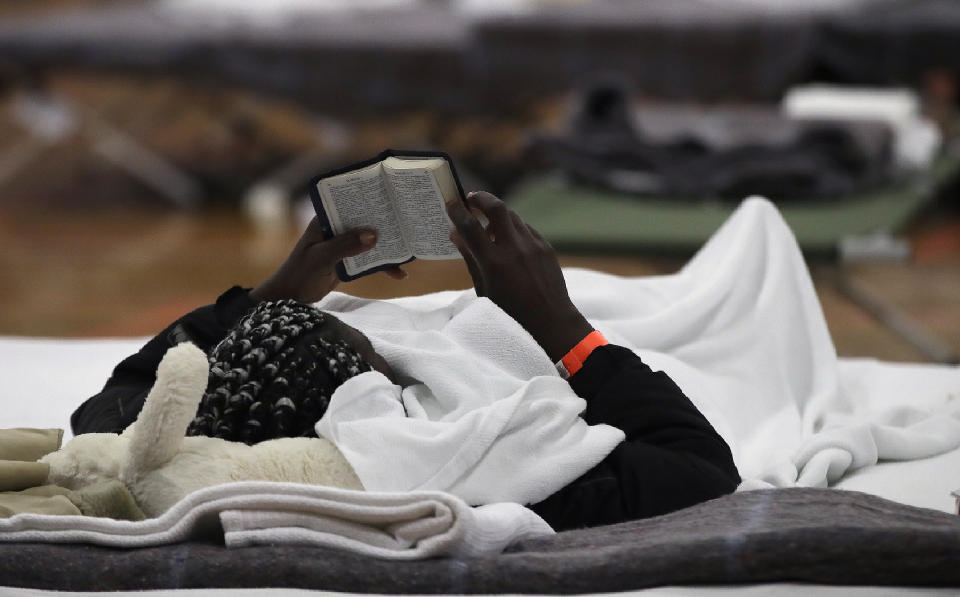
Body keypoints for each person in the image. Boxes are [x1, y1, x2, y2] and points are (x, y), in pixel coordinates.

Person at [71, 191, 740, 530]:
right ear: (369, 399)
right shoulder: (473, 464)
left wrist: (281, 289)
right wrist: (558, 322)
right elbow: (701, 461)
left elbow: (130, 387)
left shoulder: (152, 441)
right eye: (364, 345)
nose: (382, 342)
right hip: (566, 346)